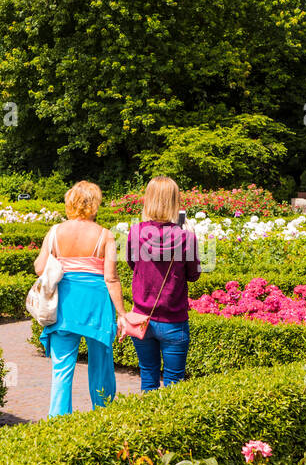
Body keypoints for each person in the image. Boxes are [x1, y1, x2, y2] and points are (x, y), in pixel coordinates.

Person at [34, 181, 131, 416]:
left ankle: (58, 424)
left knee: (62, 370)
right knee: (101, 368)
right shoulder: (105, 235)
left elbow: (39, 267)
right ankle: (103, 417)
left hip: (64, 305)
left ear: (70, 203)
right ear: (94, 204)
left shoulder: (55, 231)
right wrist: (122, 313)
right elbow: (111, 278)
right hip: (96, 307)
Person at [126, 176, 202, 391]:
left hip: (141, 316)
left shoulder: (135, 232)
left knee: (148, 377)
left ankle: (147, 423)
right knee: (174, 385)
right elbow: (194, 275)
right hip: (173, 319)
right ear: (174, 202)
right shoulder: (185, 237)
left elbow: (133, 265)